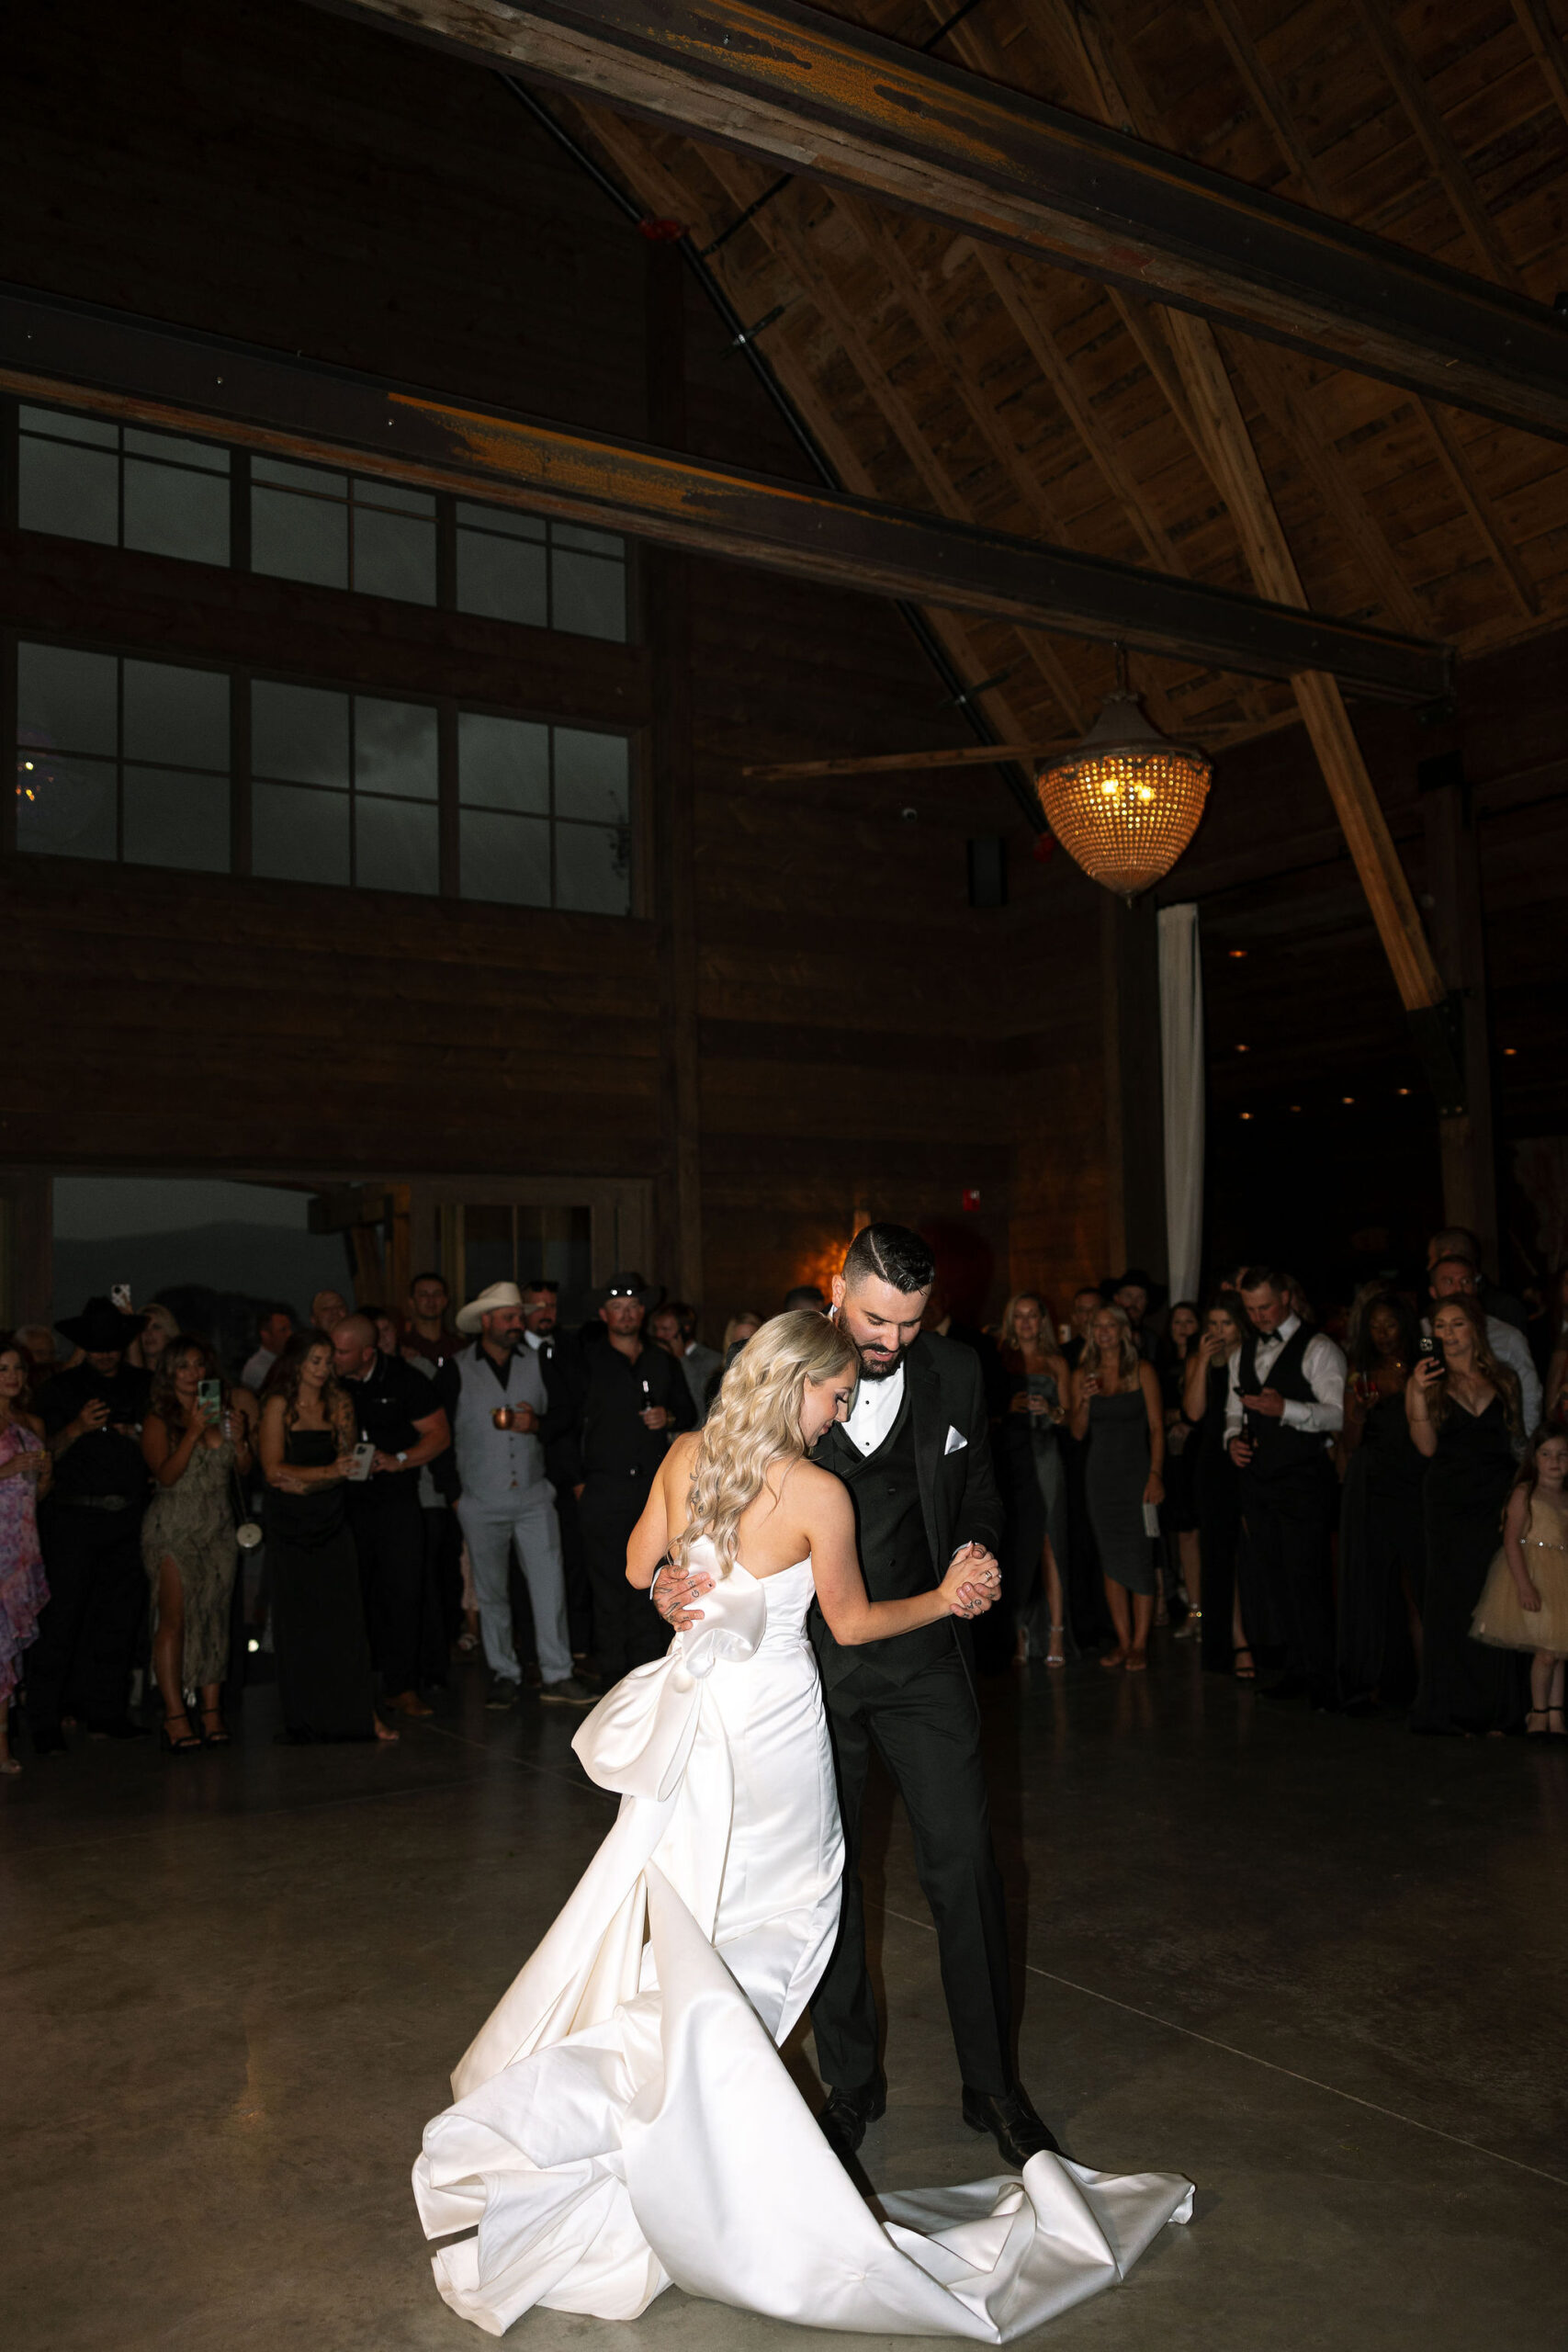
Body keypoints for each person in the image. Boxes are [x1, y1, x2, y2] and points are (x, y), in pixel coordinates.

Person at [411, 1307, 1194, 2337]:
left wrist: (674, 1586)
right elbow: (856, 1623)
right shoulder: (816, 1491)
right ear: (795, 1386)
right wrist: (951, 1597)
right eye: (829, 1396)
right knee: (784, 1934)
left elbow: (644, 1560)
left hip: (703, 1740)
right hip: (777, 1743)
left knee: (701, 1929)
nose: (835, 1416)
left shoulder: (687, 1453)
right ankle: (702, 2158)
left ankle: (684, 2139)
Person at [660, 1226, 1057, 2173]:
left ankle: (993, 2089)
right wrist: (673, 1581)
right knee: (826, 1884)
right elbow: (709, 1499)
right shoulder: (783, 1368)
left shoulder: (961, 1371)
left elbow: (983, 1496)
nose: (890, 1340)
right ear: (838, 1288)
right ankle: (851, 2080)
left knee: (964, 1866)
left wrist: (979, 1550)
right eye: (877, 1317)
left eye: (910, 1323)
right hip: (807, 1674)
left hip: (922, 1662)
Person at [438, 1283, 593, 1710]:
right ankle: (504, 1673)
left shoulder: (539, 1363)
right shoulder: (455, 1369)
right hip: (478, 1497)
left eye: (518, 1317)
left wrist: (537, 1424)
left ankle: (557, 1673)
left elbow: (566, 1415)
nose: (516, 1324)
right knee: (491, 1592)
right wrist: (454, 1495)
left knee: (550, 1587)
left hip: (532, 1496)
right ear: (486, 1321)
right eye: (509, 1317)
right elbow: (440, 1436)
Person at [558, 1272, 697, 1683]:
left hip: (652, 1490)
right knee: (605, 1582)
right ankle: (612, 1673)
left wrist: (667, 1417)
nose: (626, 1314)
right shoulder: (585, 1361)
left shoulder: (661, 1360)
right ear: (604, 1314)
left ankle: (647, 1670)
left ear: (643, 1312)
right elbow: (564, 1425)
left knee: (654, 1577)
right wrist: (579, 1483)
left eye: (634, 1307)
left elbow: (687, 1414)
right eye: (618, 1307)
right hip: (603, 1488)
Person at [258, 1331, 394, 1745]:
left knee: (345, 1619)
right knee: (299, 1621)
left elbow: (348, 1464)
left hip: (331, 1516)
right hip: (290, 1524)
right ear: (297, 1363)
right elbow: (272, 1470)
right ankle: (305, 1719)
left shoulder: (339, 1402)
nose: (322, 1370)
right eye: (315, 1361)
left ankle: (361, 1716)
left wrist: (316, 1479)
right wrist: (323, 1474)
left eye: (327, 1361)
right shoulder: (278, 1405)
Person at [31, 1295, 154, 1751]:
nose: (105, 1353)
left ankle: (108, 1713)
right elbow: (43, 1455)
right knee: (61, 1620)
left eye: (113, 1345)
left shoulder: (144, 1385)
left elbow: (166, 1442)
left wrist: (138, 1435)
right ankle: (45, 1717)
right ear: (83, 1345)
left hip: (127, 1516)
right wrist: (78, 1428)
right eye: (97, 1346)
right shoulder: (60, 1390)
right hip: (72, 1519)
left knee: (119, 1620)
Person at [1224, 1266, 1346, 1712]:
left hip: (1302, 1478)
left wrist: (1287, 1408)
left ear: (1287, 1299)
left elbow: (1338, 1414)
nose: (1258, 1317)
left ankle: (1325, 1677)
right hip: (1258, 1481)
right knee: (1274, 1576)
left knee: (1308, 1576)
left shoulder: (1319, 1347)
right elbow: (1232, 1411)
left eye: (1265, 1307)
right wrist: (1232, 1440)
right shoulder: (1243, 1350)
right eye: (1251, 1309)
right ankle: (1295, 1668)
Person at [1406, 1295, 1524, 1737]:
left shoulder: (1504, 1378)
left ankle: (1499, 1710)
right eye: (1440, 1326)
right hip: (1449, 1505)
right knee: (1453, 1603)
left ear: (1475, 1329)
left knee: (1497, 1600)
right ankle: (1453, 1710)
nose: (1449, 1334)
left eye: (1457, 1324)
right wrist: (1417, 1390)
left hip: (1495, 1501)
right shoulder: (1427, 1384)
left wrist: (1523, 1497)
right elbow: (1426, 1448)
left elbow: (1516, 1444)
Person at [332, 1314, 451, 1720]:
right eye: (332, 1348)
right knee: (351, 1598)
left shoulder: (404, 1379)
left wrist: (400, 1460)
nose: (334, 1357)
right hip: (341, 1504)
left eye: (342, 1351)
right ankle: (353, 1690)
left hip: (396, 1504)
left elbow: (438, 1434)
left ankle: (403, 1687)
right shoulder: (327, 1383)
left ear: (367, 1353)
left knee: (402, 1596)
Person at [140, 1335, 250, 1751]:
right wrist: (192, 1432)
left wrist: (240, 1439)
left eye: (199, 1365)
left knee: (214, 1619)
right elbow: (165, 1476)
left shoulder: (224, 1412)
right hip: (174, 1526)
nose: (193, 1373)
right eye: (183, 1366)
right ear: (169, 1374)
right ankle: (173, 1715)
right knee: (176, 1621)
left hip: (218, 1527)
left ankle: (211, 1711)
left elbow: (242, 1470)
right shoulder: (158, 1419)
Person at [1336, 1289, 1427, 1713]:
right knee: (1376, 1584)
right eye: (1375, 1327)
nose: (1383, 1334)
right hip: (1373, 1480)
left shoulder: (1422, 1362)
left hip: (1415, 1477)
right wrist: (1360, 1408)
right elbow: (1350, 1439)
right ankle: (1383, 1680)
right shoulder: (1361, 1369)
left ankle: (1429, 1681)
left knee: (1418, 1585)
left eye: (1389, 1324)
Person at [1070, 1302, 1164, 1670]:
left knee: (1139, 1556)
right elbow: (1077, 1433)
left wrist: (1156, 1474)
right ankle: (1124, 1642)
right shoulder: (1083, 1374)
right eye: (1098, 1325)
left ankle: (1141, 1643)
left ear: (1125, 1330)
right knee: (1111, 1560)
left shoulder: (1143, 1371)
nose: (1104, 1331)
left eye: (1111, 1325)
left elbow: (1157, 1429)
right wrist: (1084, 1401)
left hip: (1137, 1474)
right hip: (1100, 1477)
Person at [1472, 1430, 1568, 1736]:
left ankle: (1555, 1714)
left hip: (1562, 1575)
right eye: (1547, 1454)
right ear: (1534, 1459)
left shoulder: (1566, 1496)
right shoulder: (1525, 1493)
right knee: (1546, 1653)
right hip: (1535, 1574)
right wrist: (1524, 1585)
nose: (1555, 1461)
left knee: (1558, 1650)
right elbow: (1511, 1541)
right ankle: (1537, 1713)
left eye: (1563, 1454)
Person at [994, 1290, 1070, 1667]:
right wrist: (1009, 1407)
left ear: (1042, 1321)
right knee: (1015, 1543)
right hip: (1010, 1455)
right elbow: (983, 1412)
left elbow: (1072, 1419)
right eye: (1019, 1316)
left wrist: (1053, 1410)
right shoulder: (998, 1358)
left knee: (1049, 1541)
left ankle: (1055, 1631)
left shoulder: (1056, 1362)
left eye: (1032, 1316)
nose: (1025, 1323)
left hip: (1045, 1454)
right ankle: (1018, 1631)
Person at [518, 1279, 592, 1659]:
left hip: (571, 1478)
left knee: (574, 1564)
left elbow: (579, 1412)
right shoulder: (512, 1354)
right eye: (536, 1306)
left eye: (551, 1306)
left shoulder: (571, 1347)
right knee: (527, 1573)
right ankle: (529, 1654)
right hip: (529, 1476)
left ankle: (575, 1650)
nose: (545, 1313)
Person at [1183, 1293, 1250, 1677]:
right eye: (1213, 1325)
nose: (1219, 1332)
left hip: (1246, 1456)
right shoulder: (1200, 1360)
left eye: (1226, 1324)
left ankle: (1262, 1637)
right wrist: (1204, 1361)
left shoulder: (1253, 1357)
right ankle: (1233, 1641)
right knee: (1219, 1557)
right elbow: (1194, 1412)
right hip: (1212, 1463)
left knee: (1252, 1553)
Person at [0, 1339, 51, 1773]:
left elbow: (38, 1492)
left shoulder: (29, 1423)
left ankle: (2, 1744)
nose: (12, 1376)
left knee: (7, 1650)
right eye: (2, 1369)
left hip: (19, 1545)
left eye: (17, 1368)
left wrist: (43, 1474)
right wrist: (7, 1470)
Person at [1425, 1256, 1540, 1430]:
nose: (1459, 1289)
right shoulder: (1421, 1334)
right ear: (1433, 1291)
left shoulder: (1507, 1336)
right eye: (1449, 1282)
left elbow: (1529, 1396)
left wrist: (1526, 1450)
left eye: (1466, 1281)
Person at [1156, 1303, 1202, 1639]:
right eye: (1177, 1322)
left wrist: (1182, 1418)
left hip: (1201, 1454)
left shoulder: (1206, 1361)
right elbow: (1158, 1412)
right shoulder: (1161, 1364)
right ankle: (1193, 1609)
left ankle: (1200, 1610)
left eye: (1189, 1321)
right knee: (1180, 1533)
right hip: (1173, 1458)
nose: (1183, 1327)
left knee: (1197, 1534)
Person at [1426, 1225, 1530, 1338]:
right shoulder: (1427, 1322)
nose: (1428, 1267)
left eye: (1432, 1258)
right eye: (1449, 1282)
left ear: (1447, 1256)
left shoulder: (1504, 1308)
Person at [649, 1298, 722, 1426]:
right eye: (657, 1329)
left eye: (666, 1329)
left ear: (685, 1329)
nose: (659, 1335)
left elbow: (701, 1401)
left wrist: (682, 1359)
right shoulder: (657, 1358)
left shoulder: (712, 1360)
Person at [402, 1272, 461, 1369]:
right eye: (423, 1295)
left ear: (445, 1301)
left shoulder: (459, 1347)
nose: (431, 1300)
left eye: (437, 1294)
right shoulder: (402, 1347)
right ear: (412, 1302)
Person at [242, 1306, 294, 1395]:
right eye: (283, 1330)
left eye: (290, 1329)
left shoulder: (288, 1359)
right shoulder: (256, 1367)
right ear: (266, 1335)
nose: (290, 1334)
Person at [130, 1302, 179, 1376]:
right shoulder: (125, 1373)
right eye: (144, 1328)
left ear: (168, 1332)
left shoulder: (180, 1374)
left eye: (156, 1327)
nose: (149, 1333)